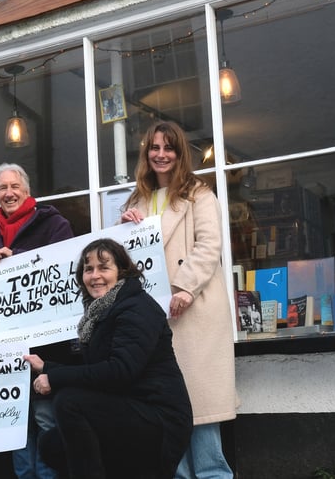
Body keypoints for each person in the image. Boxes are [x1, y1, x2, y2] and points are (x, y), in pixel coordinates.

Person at [120, 121, 237, 478]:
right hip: (154, 319)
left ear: (180, 153)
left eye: (168, 148)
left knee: (200, 416)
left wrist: (185, 287)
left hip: (192, 311)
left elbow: (209, 246)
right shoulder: (136, 200)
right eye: (154, 148)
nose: (161, 155)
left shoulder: (199, 194)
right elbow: (123, 260)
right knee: (168, 417)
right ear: (146, 153)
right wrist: (125, 228)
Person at [24, 238, 192, 478]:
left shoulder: (136, 307)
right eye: (88, 269)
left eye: (104, 267)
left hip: (159, 420)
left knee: (69, 401)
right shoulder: (102, 312)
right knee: (52, 444)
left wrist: (55, 377)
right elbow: (97, 370)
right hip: (129, 410)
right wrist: (46, 367)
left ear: (122, 271)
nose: (95, 276)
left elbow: (119, 371)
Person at [0, 163, 75, 479]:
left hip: (48, 347)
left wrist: (16, 258)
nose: (8, 193)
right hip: (8, 347)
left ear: (27, 190)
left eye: (14, 187)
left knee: (47, 421)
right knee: (16, 425)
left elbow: (64, 273)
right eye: (2, 188)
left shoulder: (54, 224)